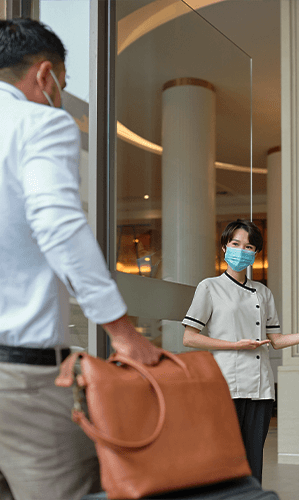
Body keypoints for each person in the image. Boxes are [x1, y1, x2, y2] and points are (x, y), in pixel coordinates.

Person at [0, 18, 162, 500]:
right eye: (63, 84)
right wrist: (122, 332)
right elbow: (58, 226)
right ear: (44, 75)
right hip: (18, 381)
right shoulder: (38, 123)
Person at [182, 219, 299, 483]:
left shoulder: (262, 292)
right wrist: (235, 345)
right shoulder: (209, 287)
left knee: (253, 461)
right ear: (224, 247)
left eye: (248, 246)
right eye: (235, 244)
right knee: (224, 460)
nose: (241, 250)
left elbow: (277, 340)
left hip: (260, 388)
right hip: (226, 386)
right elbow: (190, 338)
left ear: (255, 253)